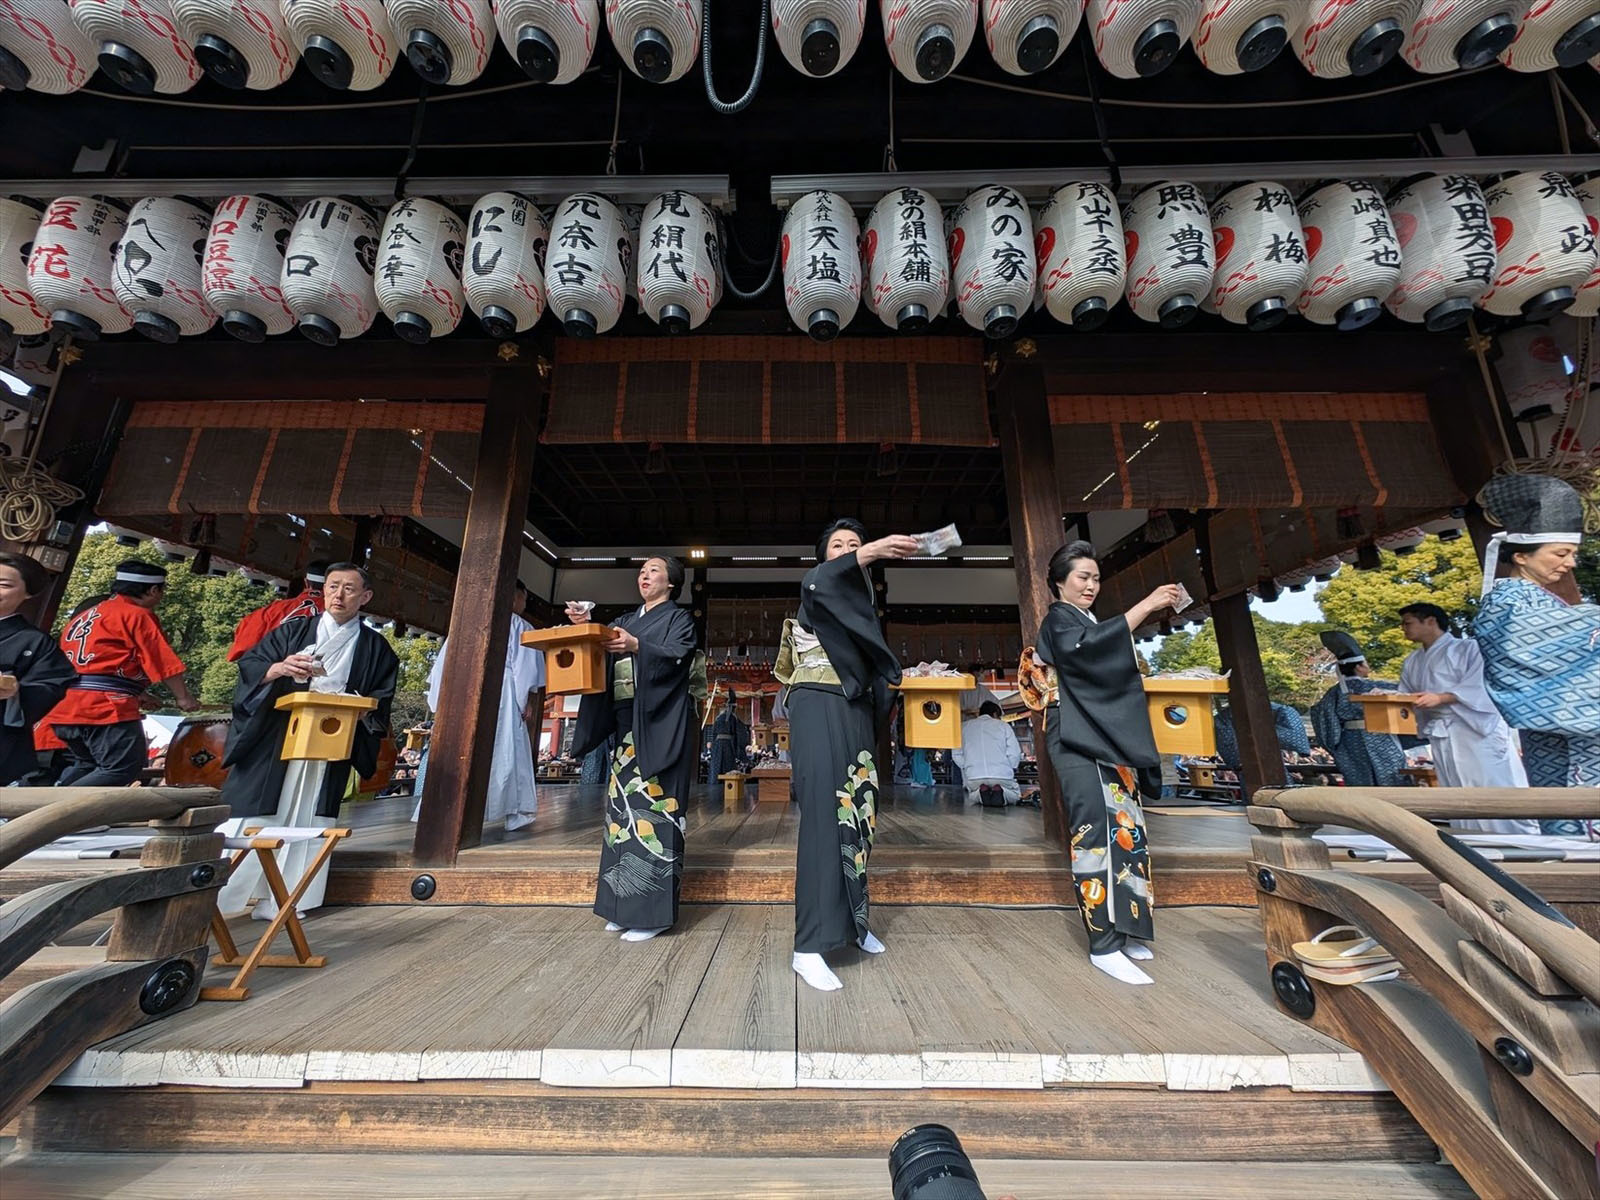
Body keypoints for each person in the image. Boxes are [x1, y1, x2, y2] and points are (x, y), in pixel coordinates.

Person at [778, 518, 915, 992]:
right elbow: (817, 580)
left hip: (854, 710)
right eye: (837, 545)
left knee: (858, 813)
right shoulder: (818, 588)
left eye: (853, 544)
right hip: (818, 703)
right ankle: (809, 946)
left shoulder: (860, 605)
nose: (847, 550)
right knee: (823, 817)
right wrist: (870, 550)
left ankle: (853, 925)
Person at [215, 562, 398, 918]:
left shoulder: (377, 648)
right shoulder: (292, 633)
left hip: (332, 736)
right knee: (254, 812)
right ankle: (221, 898)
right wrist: (279, 668)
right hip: (278, 733)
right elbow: (252, 667)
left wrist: (361, 709)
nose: (339, 595)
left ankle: (289, 899)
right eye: (333, 587)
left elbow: (381, 699)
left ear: (365, 596)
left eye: (348, 588)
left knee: (312, 817)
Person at [1035, 541, 1180, 987]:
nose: (1091, 586)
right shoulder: (1060, 619)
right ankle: (1103, 943)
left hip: (1104, 733)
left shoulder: (1087, 620)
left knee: (1126, 830)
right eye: (1083, 577)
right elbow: (1091, 649)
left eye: (1096, 578)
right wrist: (1149, 604)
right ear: (1059, 581)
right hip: (1077, 734)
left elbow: (1105, 650)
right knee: (1094, 831)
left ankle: (1129, 926)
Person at [569, 556, 697, 943]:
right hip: (627, 724)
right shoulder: (624, 621)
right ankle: (621, 905)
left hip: (660, 724)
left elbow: (680, 655)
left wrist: (640, 646)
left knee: (655, 811)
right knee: (620, 816)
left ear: (672, 583)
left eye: (654, 570)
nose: (645, 575)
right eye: (642, 571)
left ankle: (652, 914)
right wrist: (586, 626)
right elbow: (602, 643)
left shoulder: (679, 620)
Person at [1473, 474, 1599, 794]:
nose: (1570, 563)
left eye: (1572, 553)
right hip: (1567, 750)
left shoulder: (1540, 600)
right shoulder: (1505, 602)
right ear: (1521, 555)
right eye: (1560, 554)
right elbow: (1529, 652)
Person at [43, 560, 198, 786]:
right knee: (123, 768)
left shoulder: (85, 616)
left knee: (89, 766)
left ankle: (57, 811)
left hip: (65, 703)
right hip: (102, 706)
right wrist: (183, 697)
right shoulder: (136, 615)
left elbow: (95, 664)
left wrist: (139, 694)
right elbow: (162, 661)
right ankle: (53, 813)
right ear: (154, 590)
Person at [413, 581, 545, 832]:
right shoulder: (519, 626)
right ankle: (515, 811)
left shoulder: (466, 622)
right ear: (515, 598)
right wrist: (523, 701)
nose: (523, 605)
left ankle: (444, 810)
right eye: (524, 600)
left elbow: (443, 667)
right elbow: (525, 672)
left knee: (462, 750)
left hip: (464, 692)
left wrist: (440, 703)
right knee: (507, 748)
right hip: (505, 693)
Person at [1396, 601, 1537, 834]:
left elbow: (1481, 686)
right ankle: (1469, 837)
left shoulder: (1468, 648)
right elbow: (1406, 693)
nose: (1403, 628)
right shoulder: (1413, 660)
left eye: (1408, 622)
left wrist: (1442, 698)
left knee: (1489, 783)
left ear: (1430, 621)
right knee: (1454, 786)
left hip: (1474, 726)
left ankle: (1513, 837)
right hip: (1441, 730)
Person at [0, 552, 74, 785]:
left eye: (4, 585)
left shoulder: (35, 642)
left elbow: (50, 686)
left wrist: (14, 692)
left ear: (28, 592)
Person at [1308, 631, 1406, 788]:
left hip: (1349, 742)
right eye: (1366, 663)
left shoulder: (1334, 693)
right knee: (1392, 780)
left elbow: (1325, 719)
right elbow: (1409, 693)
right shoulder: (1379, 686)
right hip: (1381, 737)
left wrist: (1334, 745)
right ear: (1359, 666)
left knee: (1360, 784)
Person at [226, 561, 327, 661]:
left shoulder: (274, 610)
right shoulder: (337, 612)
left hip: (275, 670)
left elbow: (244, 646)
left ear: (306, 583)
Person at [953, 700, 1022, 806]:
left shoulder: (963, 727)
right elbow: (1014, 752)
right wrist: (1010, 767)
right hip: (1001, 775)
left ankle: (980, 793)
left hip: (974, 776)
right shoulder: (1004, 726)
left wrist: (967, 765)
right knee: (1016, 795)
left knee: (972, 795)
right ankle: (1001, 792)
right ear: (995, 714)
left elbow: (956, 754)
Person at [707, 689, 747, 783]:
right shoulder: (734, 718)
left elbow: (713, 734)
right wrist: (740, 751)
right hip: (728, 746)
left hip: (717, 746)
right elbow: (740, 735)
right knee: (728, 769)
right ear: (734, 708)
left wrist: (713, 747)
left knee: (716, 768)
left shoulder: (718, 718)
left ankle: (714, 784)